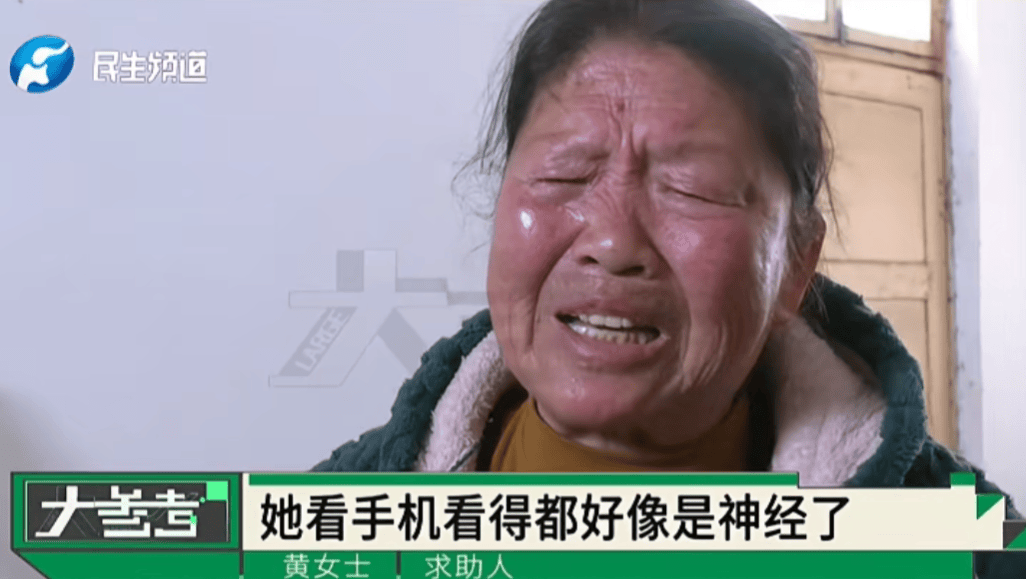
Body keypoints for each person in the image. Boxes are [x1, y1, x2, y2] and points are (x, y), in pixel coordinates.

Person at [312, 1, 1024, 575]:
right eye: (563, 175)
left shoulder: (968, 547)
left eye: (692, 190)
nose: (612, 243)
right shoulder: (333, 526)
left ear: (796, 264)